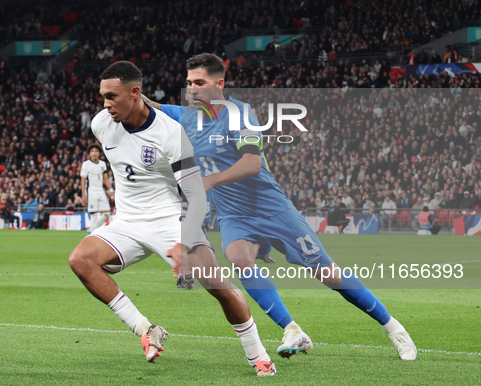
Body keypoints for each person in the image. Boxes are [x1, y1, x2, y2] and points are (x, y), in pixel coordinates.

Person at [144, 52, 416, 361]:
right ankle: (292, 330)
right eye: (188, 82)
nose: (191, 88)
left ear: (219, 84)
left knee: (328, 274)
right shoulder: (187, 115)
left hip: (271, 208)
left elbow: (252, 163)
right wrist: (129, 96)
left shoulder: (241, 115)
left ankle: (393, 327)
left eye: (199, 82)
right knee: (238, 259)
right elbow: (150, 107)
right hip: (235, 215)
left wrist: (209, 182)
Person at [68, 61, 277, 376]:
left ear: (135, 93)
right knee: (80, 260)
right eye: (103, 96)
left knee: (216, 284)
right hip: (126, 221)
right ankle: (146, 329)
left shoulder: (170, 133)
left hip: (170, 219)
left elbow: (195, 194)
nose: (105, 103)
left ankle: (258, 355)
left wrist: (184, 240)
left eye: (112, 96)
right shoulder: (102, 123)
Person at [80, 144, 114, 234]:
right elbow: (83, 180)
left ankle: (92, 229)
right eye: (92, 151)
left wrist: (111, 190)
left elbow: (106, 179)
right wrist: (84, 195)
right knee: (94, 213)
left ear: (99, 153)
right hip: (91, 191)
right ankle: (92, 233)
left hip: (101, 191)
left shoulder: (103, 164)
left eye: (96, 151)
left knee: (107, 213)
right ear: (89, 154)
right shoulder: (86, 164)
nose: (94, 153)